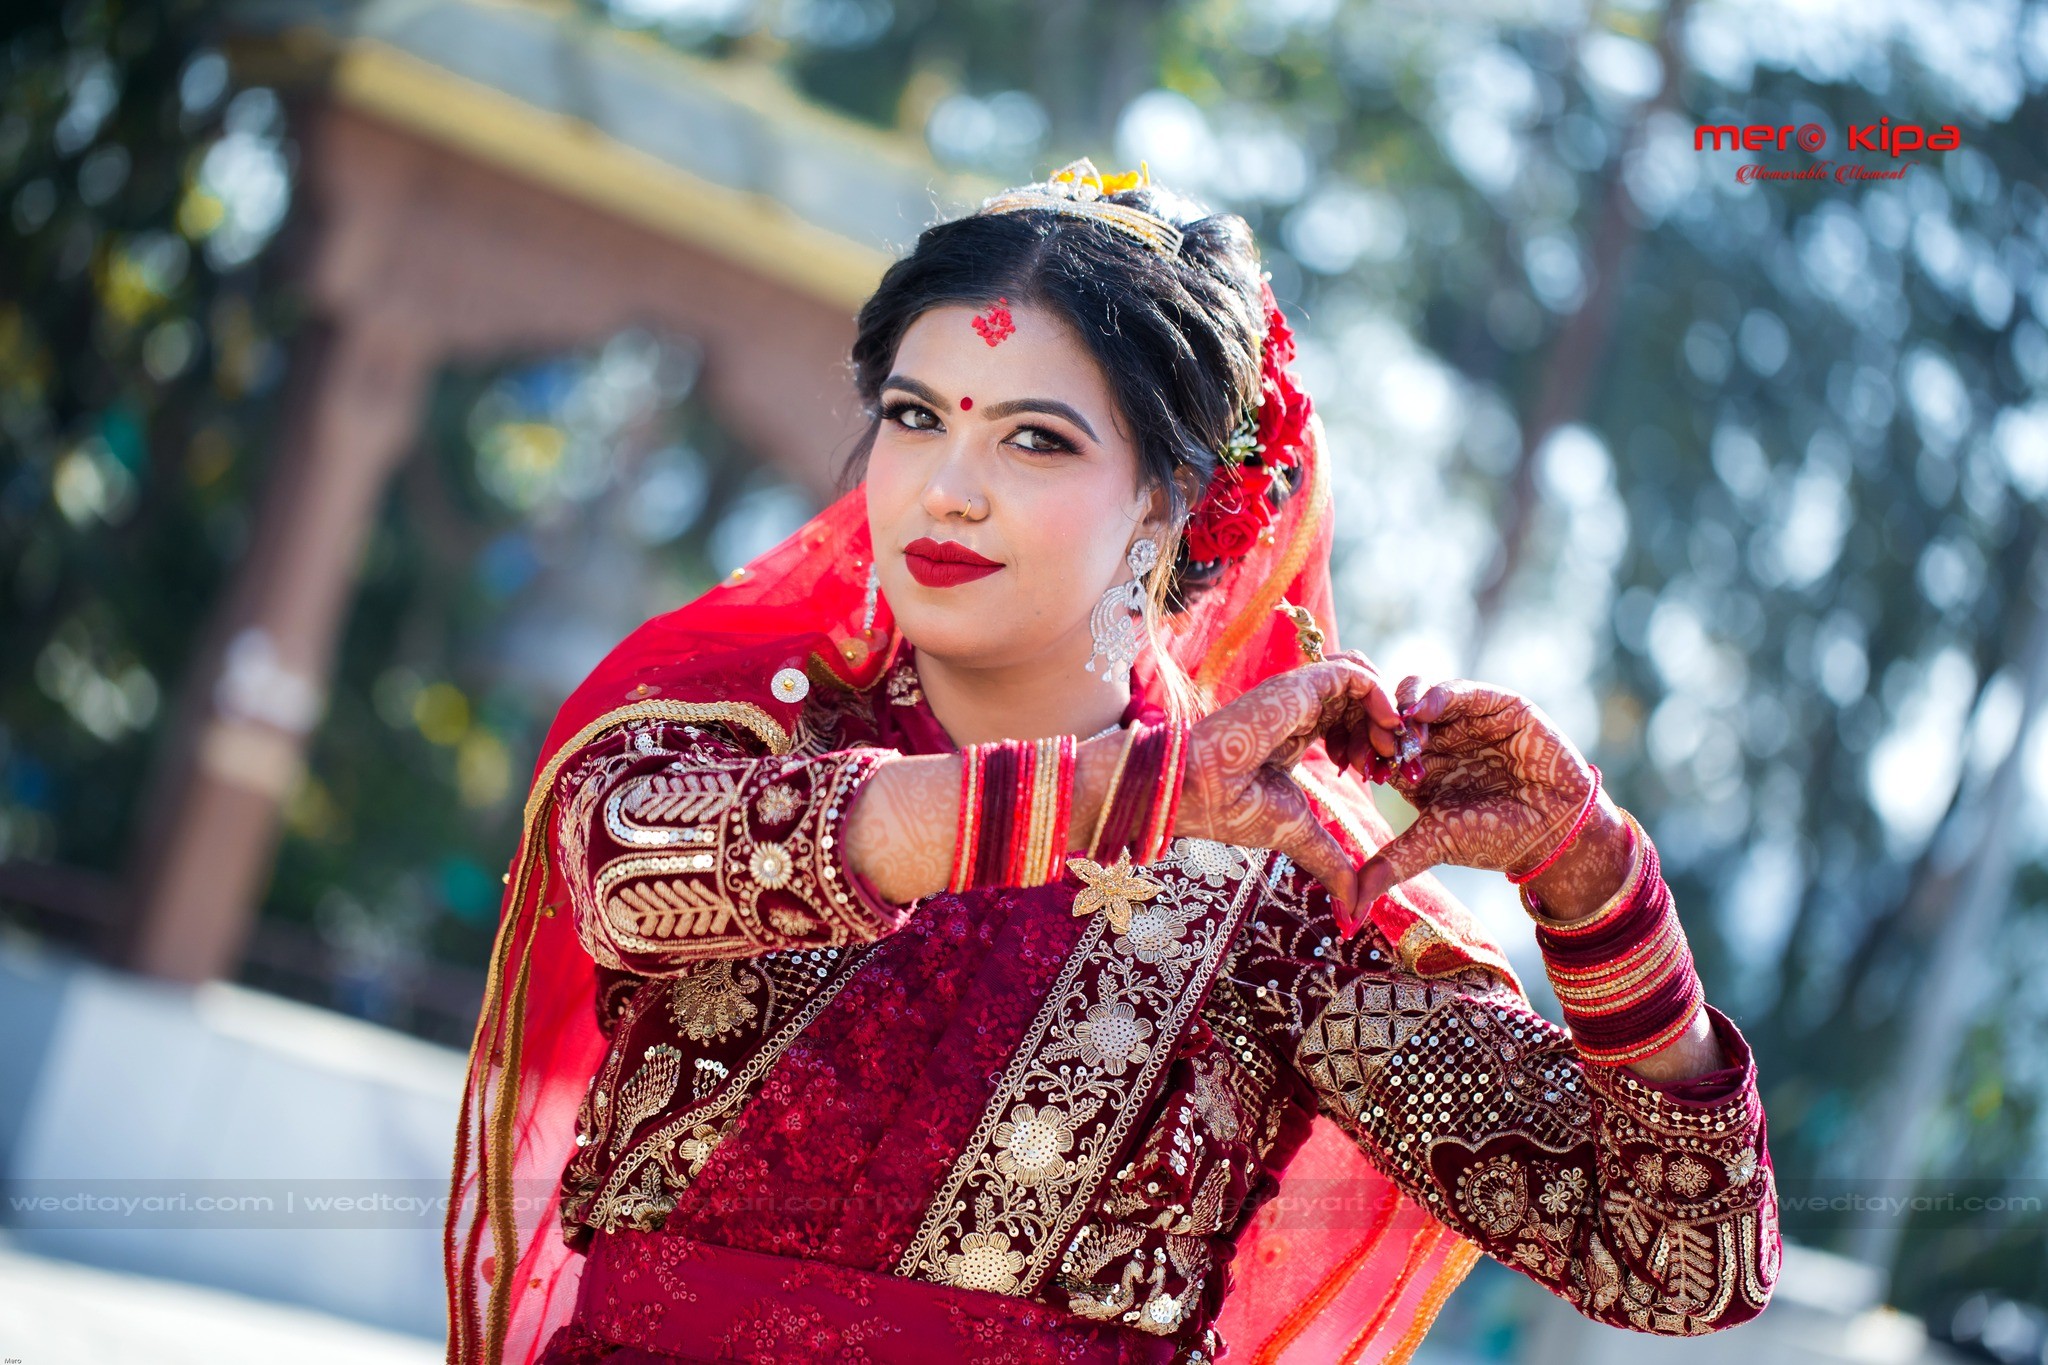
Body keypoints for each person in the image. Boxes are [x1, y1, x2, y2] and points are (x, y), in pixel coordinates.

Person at [443, 160, 1779, 1365]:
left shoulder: (1276, 894)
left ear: (1172, 501)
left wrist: (1594, 879)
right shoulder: (736, 739)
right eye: (916, 416)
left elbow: (1679, 1265)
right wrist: (1123, 796)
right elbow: (621, 872)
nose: (947, 487)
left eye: (1035, 438)